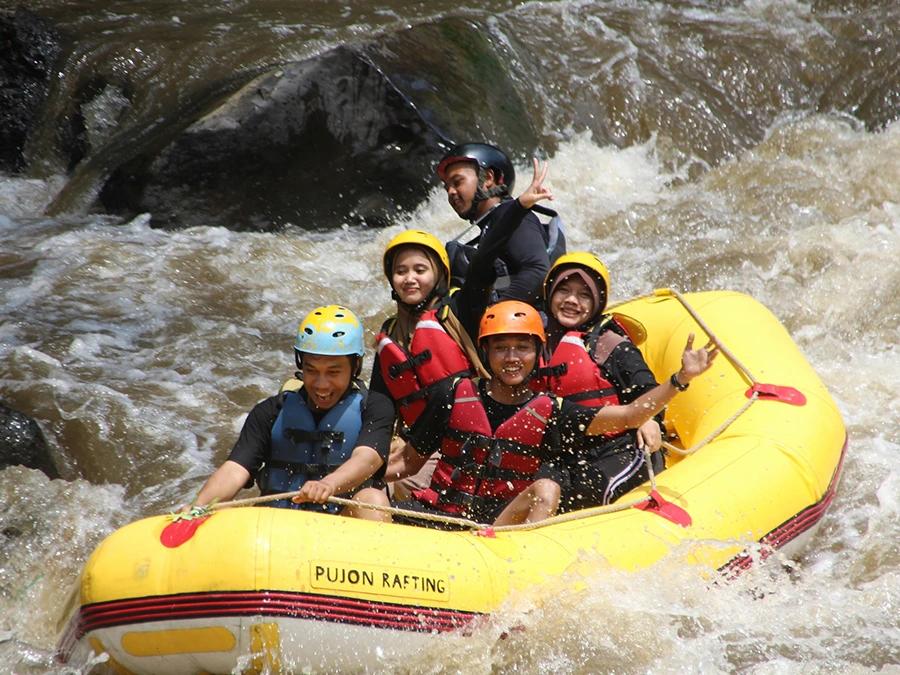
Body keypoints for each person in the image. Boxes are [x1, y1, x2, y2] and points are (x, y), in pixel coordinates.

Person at [387, 300, 718, 527]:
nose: (512, 357)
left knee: (547, 489)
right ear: (486, 352)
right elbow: (407, 463)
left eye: (523, 348)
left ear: (537, 352)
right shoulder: (452, 393)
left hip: (495, 531)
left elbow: (631, 415)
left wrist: (680, 380)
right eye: (501, 348)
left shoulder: (552, 411)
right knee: (369, 497)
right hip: (440, 512)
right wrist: (340, 481)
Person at [371, 159, 554, 499]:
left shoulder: (461, 309)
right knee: (376, 483)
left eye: (420, 269)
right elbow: (379, 414)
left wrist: (518, 207)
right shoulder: (389, 335)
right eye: (401, 271)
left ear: (439, 275)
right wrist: (366, 460)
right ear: (391, 280)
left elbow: (484, 262)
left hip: (469, 441)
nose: (410, 278)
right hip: (417, 446)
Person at [192, 305, 393, 520]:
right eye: (311, 370)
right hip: (278, 525)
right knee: (217, 510)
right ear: (300, 364)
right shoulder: (270, 411)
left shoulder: (374, 407)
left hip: (341, 525)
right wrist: (198, 507)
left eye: (333, 372)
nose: (321, 384)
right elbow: (235, 470)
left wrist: (328, 484)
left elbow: (367, 458)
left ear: (355, 366)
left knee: (372, 501)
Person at [536, 252, 666, 511]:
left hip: (616, 449)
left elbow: (648, 390)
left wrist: (651, 419)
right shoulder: (533, 344)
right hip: (566, 456)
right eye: (564, 290)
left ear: (597, 302)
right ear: (550, 293)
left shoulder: (609, 343)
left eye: (584, 294)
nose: (572, 301)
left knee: (593, 493)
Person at [437, 142, 566, 305]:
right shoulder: (493, 223)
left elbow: (538, 272)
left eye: (457, 182)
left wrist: (494, 315)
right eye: (447, 187)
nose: (451, 192)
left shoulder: (512, 216)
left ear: (488, 178)